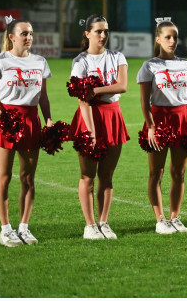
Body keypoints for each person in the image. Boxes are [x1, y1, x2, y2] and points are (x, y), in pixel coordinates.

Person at [0, 16, 53, 246]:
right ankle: (5, 229)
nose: (29, 37)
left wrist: (49, 120)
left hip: (31, 120)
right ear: (11, 37)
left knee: (28, 178)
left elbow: (43, 97)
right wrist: (2, 116)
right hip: (6, 119)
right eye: (24, 33)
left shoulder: (40, 61)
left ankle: (24, 227)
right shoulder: (0, 60)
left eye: (31, 33)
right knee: (3, 177)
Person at [138, 17, 187, 234]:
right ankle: (160, 219)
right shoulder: (149, 66)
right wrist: (150, 126)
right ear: (158, 39)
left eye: (175, 37)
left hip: (183, 119)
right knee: (156, 172)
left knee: (179, 173)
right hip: (159, 119)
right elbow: (144, 100)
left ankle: (175, 217)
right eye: (168, 37)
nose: (173, 41)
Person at [68, 14, 129, 239]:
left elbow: (122, 86)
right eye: (98, 31)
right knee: (87, 175)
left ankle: (104, 222)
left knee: (107, 175)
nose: (103, 36)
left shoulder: (117, 56)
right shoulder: (80, 62)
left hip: (113, 116)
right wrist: (91, 133)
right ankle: (90, 225)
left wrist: (94, 90)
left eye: (106, 31)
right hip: (89, 116)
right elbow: (81, 100)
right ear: (87, 34)